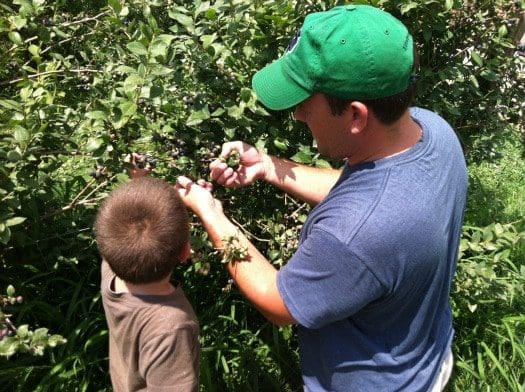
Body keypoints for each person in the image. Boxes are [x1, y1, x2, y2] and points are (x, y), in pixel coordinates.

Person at [176, 4, 467, 392]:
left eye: (305, 103)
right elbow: (364, 191)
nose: (297, 115)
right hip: (425, 357)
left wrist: (211, 213)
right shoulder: (432, 132)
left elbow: (279, 303)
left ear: (356, 116)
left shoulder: (354, 236)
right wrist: (267, 165)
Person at [94, 168, 201, 392]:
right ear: (186, 252)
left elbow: (124, 232)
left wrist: (139, 184)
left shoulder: (112, 274)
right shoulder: (171, 327)